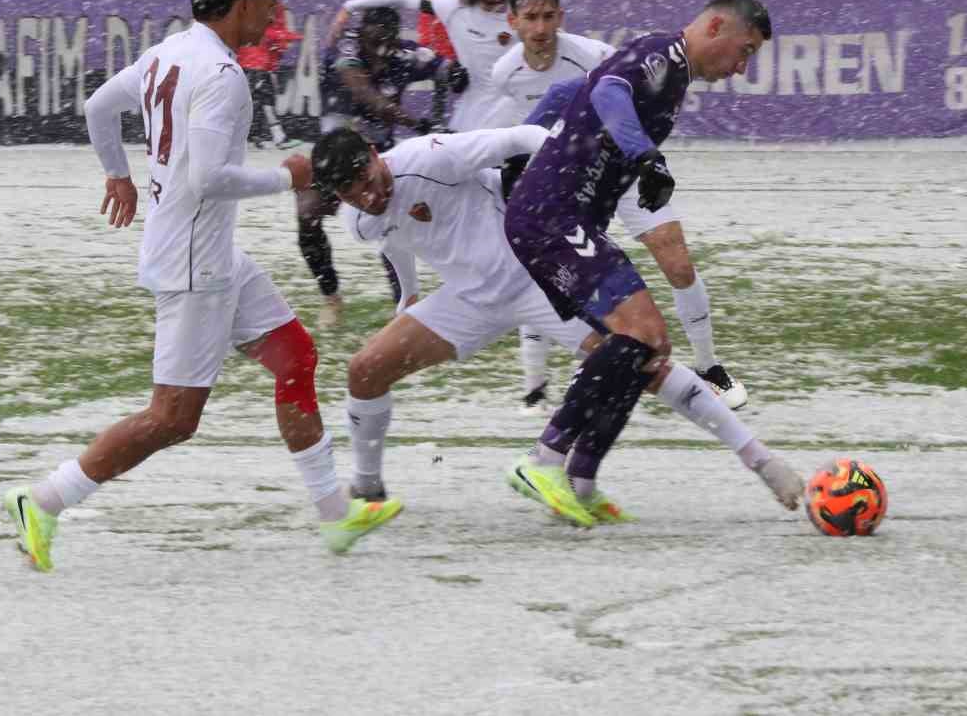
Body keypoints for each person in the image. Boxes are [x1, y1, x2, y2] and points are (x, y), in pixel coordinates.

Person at [2, 0, 401, 572]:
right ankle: (45, 499)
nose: (274, 16)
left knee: (295, 356)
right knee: (173, 418)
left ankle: (336, 515)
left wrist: (118, 174)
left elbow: (99, 106)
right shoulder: (222, 75)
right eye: (269, 4)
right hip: (195, 263)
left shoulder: (168, 52)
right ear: (241, 4)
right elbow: (209, 178)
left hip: (207, 253)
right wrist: (289, 177)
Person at [312, 125, 795, 525]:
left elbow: (525, 136)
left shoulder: (430, 157)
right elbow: (392, 238)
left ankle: (763, 462)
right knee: (364, 370)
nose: (368, 194)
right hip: (468, 300)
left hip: (536, 277)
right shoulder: (359, 219)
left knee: (644, 362)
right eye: (352, 192)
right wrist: (408, 298)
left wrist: (561, 194)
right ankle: (368, 492)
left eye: (368, 177)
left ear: (375, 153)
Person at [504, 0, 803, 526]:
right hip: (551, 217)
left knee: (646, 350)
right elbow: (609, 91)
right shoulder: (663, 54)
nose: (742, 68)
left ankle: (581, 479)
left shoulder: (674, 77)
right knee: (644, 331)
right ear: (716, 27)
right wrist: (645, 157)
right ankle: (543, 459)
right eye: (746, 51)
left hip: (565, 220)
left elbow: (578, 91)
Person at [492, 0, 750, 412]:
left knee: (676, 261)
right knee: (553, 277)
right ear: (513, 22)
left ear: (561, 17)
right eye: (531, 18)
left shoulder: (592, 53)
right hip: (578, 176)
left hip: (629, 164)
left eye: (548, 17)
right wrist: (519, 157)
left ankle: (709, 368)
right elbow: (557, 101)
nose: (540, 28)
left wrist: (642, 156)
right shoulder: (504, 72)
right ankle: (537, 387)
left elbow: (597, 91)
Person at [300, 7, 467, 330]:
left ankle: (404, 306)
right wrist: (417, 123)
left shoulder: (403, 54)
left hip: (377, 156)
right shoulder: (346, 49)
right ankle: (331, 298)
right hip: (336, 155)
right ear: (362, 34)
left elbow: (446, 69)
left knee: (390, 226)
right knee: (308, 215)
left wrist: (456, 76)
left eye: (388, 43)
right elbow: (367, 95)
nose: (381, 51)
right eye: (375, 42)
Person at [328, 0, 526, 132]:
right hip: (472, 111)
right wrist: (349, 7)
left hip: (513, 110)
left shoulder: (526, 13)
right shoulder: (453, 5)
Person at [238, 0, 302, 149]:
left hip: (254, 61)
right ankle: (275, 137)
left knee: (261, 99)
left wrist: (285, 37)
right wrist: (288, 37)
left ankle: (264, 136)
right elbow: (267, 32)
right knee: (260, 100)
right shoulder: (264, 6)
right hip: (255, 62)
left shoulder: (259, 4)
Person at [419, 0, 462, 128]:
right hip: (442, 51)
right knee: (440, 92)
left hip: (464, 49)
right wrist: (426, 43)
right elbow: (425, 18)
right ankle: (438, 127)